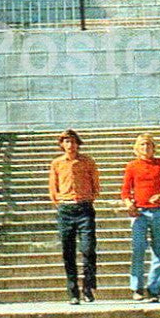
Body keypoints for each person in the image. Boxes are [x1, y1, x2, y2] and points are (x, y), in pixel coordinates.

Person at [121, 133, 160, 302]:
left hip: (158, 211)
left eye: (149, 145)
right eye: (142, 145)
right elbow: (125, 191)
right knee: (138, 249)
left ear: (153, 147)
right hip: (139, 213)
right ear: (137, 148)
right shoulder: (132, 166)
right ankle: (137, 287)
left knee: (159, 251)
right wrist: (128, 204)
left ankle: (154, 289)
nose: (146, 148)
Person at [48, 128, 100, 304]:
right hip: (66, 209)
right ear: (62, 145)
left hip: (84, 208)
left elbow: (96, 185)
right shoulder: (56, 163)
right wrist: (62, 202)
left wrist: (87, 198)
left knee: (88, 248)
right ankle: (73, 292)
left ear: (78, 144)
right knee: (68, 251)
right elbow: (53, 188)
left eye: (73, 141)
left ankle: (88, 287)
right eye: (67, 142)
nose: (70, 145)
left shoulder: (87, 161)